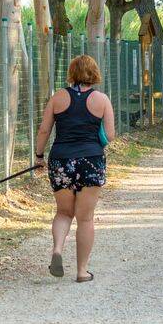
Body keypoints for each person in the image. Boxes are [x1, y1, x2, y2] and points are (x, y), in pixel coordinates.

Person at [34, 54, 116, 284]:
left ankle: (58, 250)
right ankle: (81, 271)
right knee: (86, 218)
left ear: (72, 73)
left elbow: (44, 130)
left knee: (63, 213)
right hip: (91, 160)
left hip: (61, 160)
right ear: (94, 73)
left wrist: (39, 156)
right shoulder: (101, 99)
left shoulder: (58, 97)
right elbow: (110, 135)